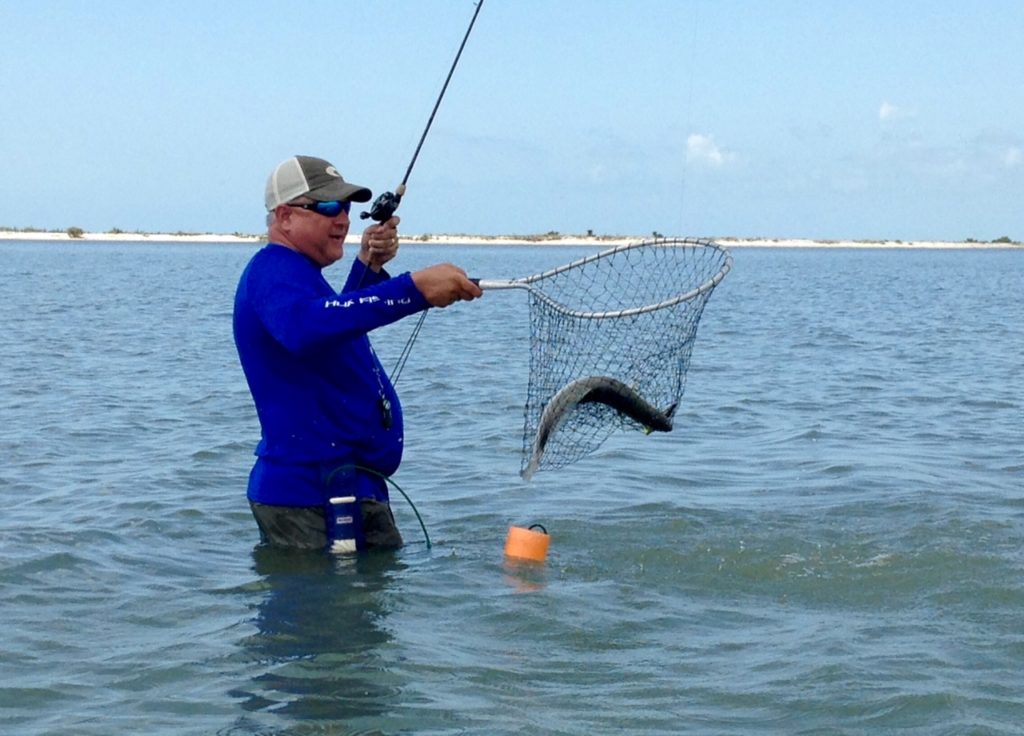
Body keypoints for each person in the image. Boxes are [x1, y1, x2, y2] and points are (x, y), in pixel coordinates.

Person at [233, 155, 482, 552]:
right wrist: (412, 290)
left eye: (347, 207)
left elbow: (333, 330)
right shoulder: (271, 270)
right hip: (310, 498)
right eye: (328, 207)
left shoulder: (298, 276)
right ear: (284, 217)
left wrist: (370, 267)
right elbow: (304, 328)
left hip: (342, 489)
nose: (343, 219)